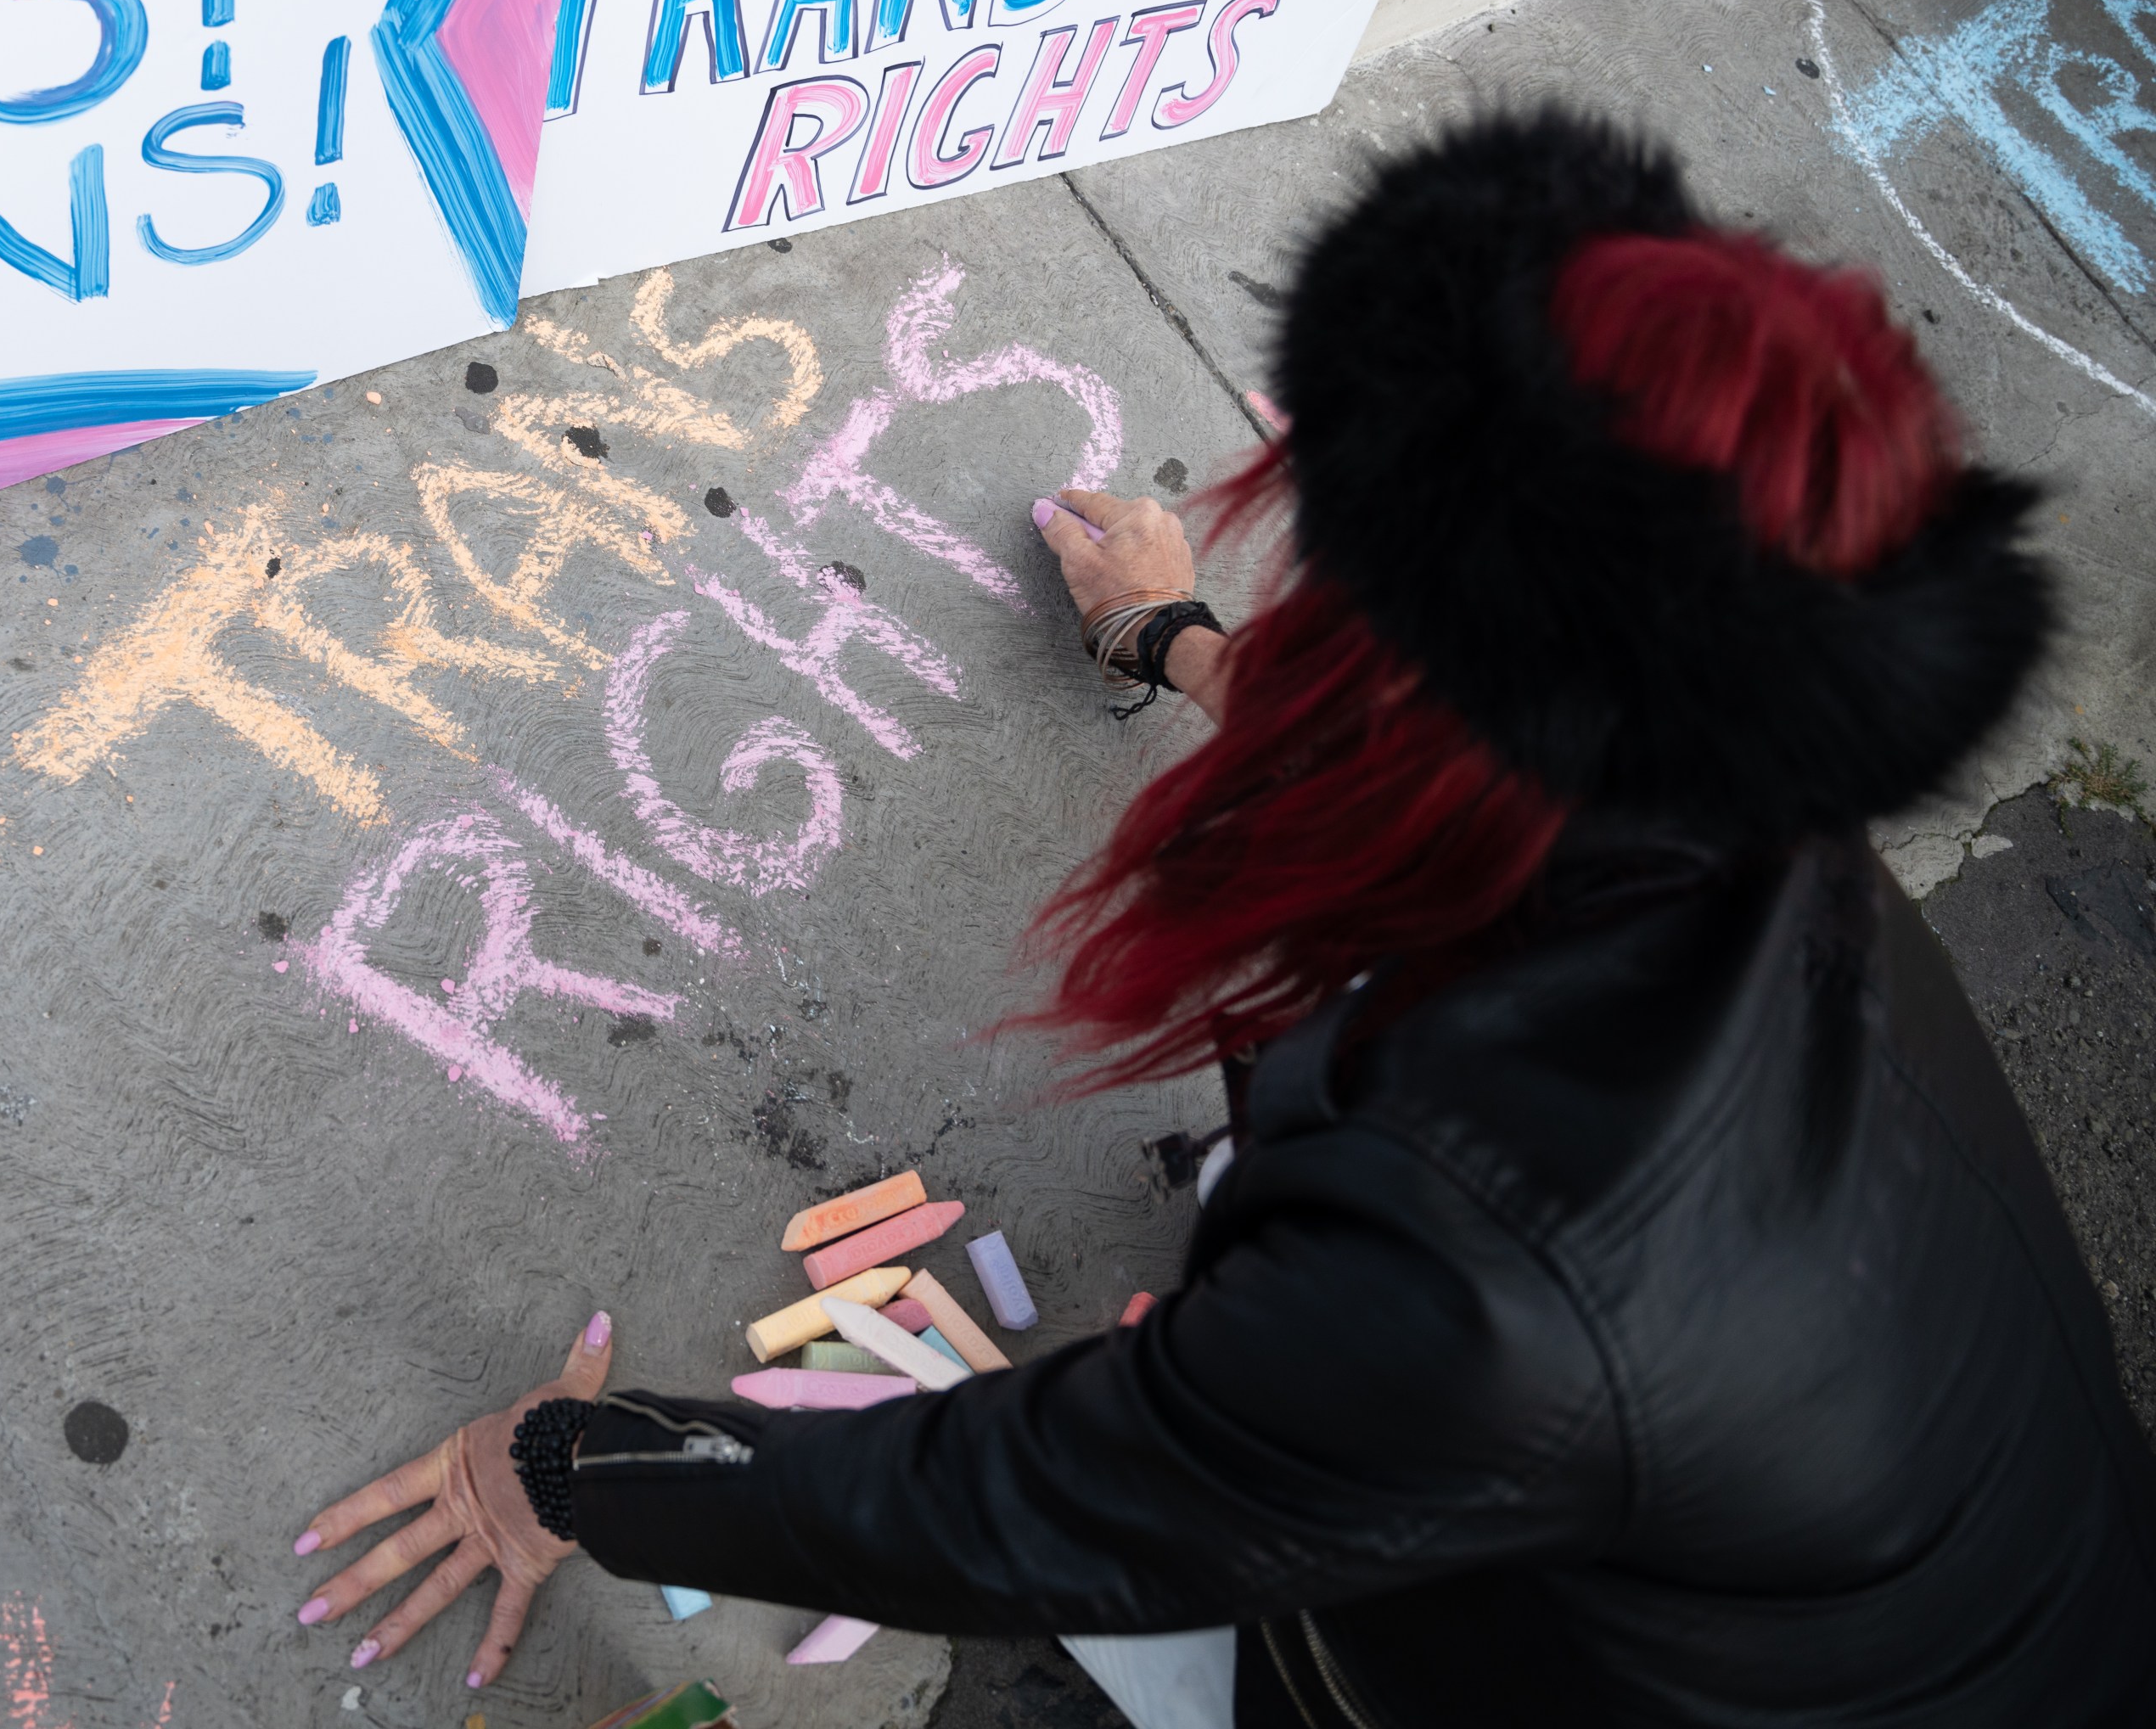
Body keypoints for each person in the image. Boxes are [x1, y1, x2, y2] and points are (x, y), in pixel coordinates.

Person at [286, 115, 2156, 1724]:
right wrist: (1170, 639)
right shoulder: (1756, 803)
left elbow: (987, 1505)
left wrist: (559, 1465)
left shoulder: (1476, 1292)